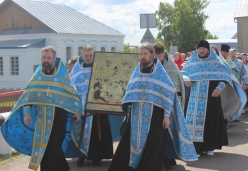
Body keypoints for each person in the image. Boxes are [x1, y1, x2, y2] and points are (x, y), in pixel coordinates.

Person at [109, 43, 197, 171]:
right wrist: (128, 113)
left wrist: (166, 116)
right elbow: (129, 94)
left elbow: (169, 93)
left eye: (145, 54)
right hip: (136, 115)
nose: (142, 56)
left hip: (156, 115)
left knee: (154, 144)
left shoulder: (159, 72)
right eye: (140, 54)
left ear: (152, 55)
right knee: (131, 142)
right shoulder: (137, 71)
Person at [1, 46, 83, 171]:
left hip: (60, 117)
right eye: (44, 57)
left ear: (54, 59)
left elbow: (72, 94)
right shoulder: (37, 76)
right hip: (42, 118)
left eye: (49, 58)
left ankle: (63, 168)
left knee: (54, 147)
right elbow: (28, 96)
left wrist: (77, 112)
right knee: (44, 147)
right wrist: (27, 114)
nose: (46, 60)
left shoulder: (62, 76)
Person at [182, 40, 246, 156]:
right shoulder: (192, 61)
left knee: (210, 121)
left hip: (211, 97)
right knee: (192, 122)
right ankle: (195, 148)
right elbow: (183, 72)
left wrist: (219, 88)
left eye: (203, 48)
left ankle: (209, 146)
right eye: (199, 48)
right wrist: (186, 80)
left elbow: (226, 76)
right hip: (194, 98)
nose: (201, 51)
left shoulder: (217, 62)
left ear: (208, 50)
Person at [69, 45, 117, 167]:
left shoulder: (100, 69)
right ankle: (81, 156)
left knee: (97, 132)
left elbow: (108, 84)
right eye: (86, 55)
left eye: (91, 55)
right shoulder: (76, 70)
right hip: (81, 106)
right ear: (82, 56)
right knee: (81, 131)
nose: (89, 58)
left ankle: (97, 156)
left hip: (96, 105)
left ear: (94, 55)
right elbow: (71, 89)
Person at [153, 42, 186, 168]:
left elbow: (177, 86)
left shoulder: (171, 67)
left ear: (163, 54)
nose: (157, 59)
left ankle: (168, 160)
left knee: (168, 133)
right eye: (155, 56)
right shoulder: (150, 65)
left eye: (159, 56)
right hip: (154, 104)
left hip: (168, 106)